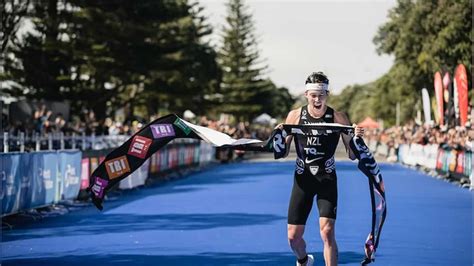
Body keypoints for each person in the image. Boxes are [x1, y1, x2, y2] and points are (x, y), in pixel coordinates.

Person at [276, 72, 365, 266]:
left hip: (326, 178)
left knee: (327, 231)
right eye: (313, 95)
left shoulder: (338, 117)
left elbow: (352, 155)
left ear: (327, 94)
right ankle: (303, 260)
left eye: (321, 95)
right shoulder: (295, 115)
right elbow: (282, 153)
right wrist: (278, 137)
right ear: (306, 94)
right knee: (293, 237)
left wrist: (356, 138)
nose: (317, 99)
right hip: (302, 179)